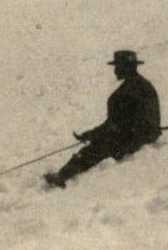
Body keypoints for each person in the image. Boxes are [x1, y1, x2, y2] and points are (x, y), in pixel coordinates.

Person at [44, 50, 161, 188]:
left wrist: (93, 135)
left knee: (94, 149)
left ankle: (62, 177)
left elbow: (117, 124)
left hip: (135, 137)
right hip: (143, 133)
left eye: (118, 67)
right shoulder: (143, 85)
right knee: (100, 142)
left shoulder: (126, 92)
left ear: (127, 67)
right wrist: (94, 133)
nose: (116, 70)